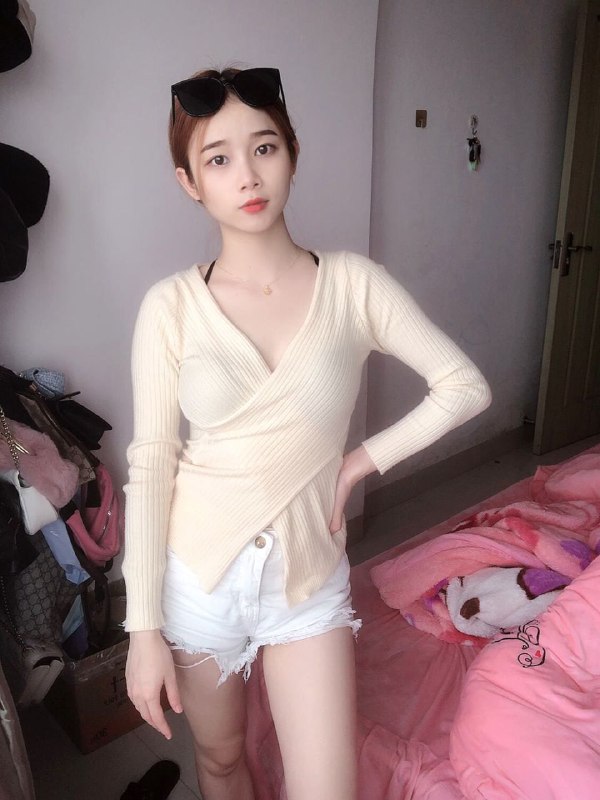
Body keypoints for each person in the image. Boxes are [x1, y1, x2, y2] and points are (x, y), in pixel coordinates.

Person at [122, 65, 492, 800]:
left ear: (292, 153)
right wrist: (142, 632)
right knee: (221, 762)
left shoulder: (355, 285)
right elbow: (153, 465)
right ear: (189, 183)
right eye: (218, 159)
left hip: (307, 579)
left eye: (264, 147)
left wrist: (357, 463)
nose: (247, 175)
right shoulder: (170, 307)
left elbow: (464, 387)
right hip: (199, 578)